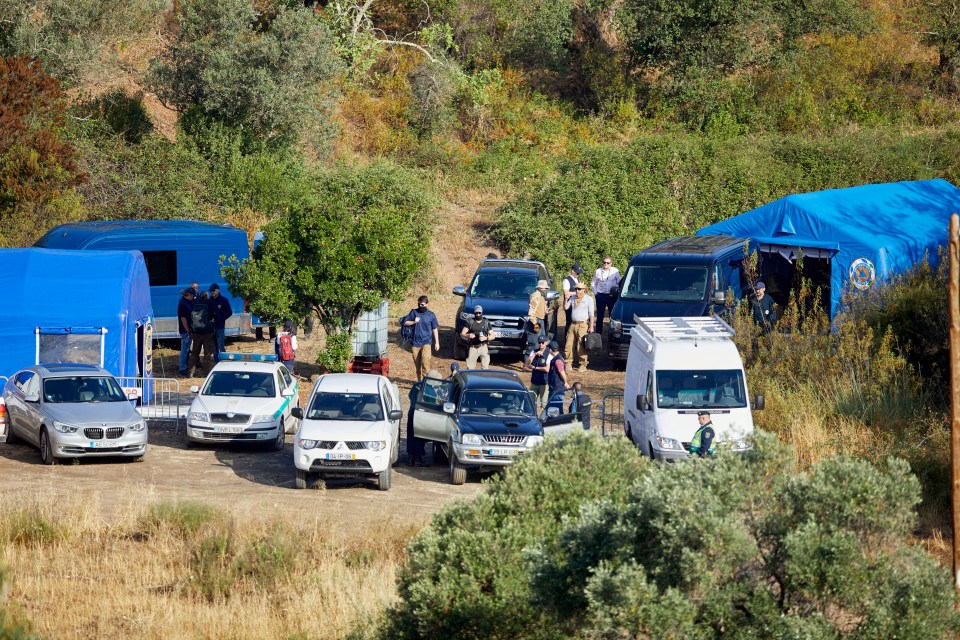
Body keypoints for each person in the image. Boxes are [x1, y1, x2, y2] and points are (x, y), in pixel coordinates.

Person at [401, 295, 441, 380]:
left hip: (426, 342)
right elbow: (405, 322)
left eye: (422, 304)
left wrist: (437, 342)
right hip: (415, 343)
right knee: (418, 365)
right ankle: (420, 382)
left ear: (427, 304)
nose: (420, 306)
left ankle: (426, 383)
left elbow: (435, 329)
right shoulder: (414, 312)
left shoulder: (431, 315)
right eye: (419, 304)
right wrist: (414, 322)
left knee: (425, 363)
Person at [564, 281, 595, 371]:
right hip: (573, 324)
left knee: (581, 345)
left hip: (582, 325)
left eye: (579, 289)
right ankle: (568, 363)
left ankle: (583, 364)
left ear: (584, 290)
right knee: (568, 344)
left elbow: (591, 314)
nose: (577, 291)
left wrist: (591, 326)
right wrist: (566, 299)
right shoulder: (573, 297)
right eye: (576, 289)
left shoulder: (588, 299)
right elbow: (566, 308)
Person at [187, 292, 216, 377]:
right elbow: (212, 315)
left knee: (195, 353)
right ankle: (205, 373)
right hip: (207, 332)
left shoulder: (195, 303)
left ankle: (190, 372)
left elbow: (190, 316)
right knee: (207, 354)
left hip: (196, 332)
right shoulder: (209, 303)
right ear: (207, 296)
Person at [591, 257, 621, 334]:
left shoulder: (615, 271)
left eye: (608, 263)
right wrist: (596, 294)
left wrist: (616, 292)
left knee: (612, 315)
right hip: (600, 295)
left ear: (611, 263)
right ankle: (598, 333)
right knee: (600, 316)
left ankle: (612, 333)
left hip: (611, 296)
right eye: (604, 262)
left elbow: (619, 282)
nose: (606, 264)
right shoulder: (598, 271)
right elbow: (593, 283)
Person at [461, 305, 493, 370]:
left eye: (479, 313)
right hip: (473, 347)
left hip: (483, 347)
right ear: (474, 313)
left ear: (482, 313)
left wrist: (486, 338)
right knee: (470, 368)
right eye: (476, 313)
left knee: (485, 368)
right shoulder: (470, 322)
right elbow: (462, 333)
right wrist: (468, 335)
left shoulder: (486, 322)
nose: (478, 314)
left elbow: (493, 336)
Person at [524, 336, 551, 411]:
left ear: (546, 343)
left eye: (543, 343)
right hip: (534, 382)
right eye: (539, 343)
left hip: (544, 383)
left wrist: (535, 368)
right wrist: (535, 354)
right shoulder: (534, 351)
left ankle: (543, 421)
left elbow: (547, 369)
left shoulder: (549, 353)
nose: (541, 344)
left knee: (544, 404)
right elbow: (526, 365)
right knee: (531, 403)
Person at [208, 283, 233, 362]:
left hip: (220, 326)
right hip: (211, 327)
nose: (212, 292)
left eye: (213, 291)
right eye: (211, 291)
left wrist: (221, 318)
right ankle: (217, 361)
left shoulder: (223, 300)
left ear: (218, 290)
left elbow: (229, 312)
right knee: (214, 346)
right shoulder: (209, 301)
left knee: (220, 345)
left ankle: (224, 360)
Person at [177, 288, 195, 377]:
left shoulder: (186, 302)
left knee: (186, 349)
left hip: (187, 329)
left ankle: (184, 366)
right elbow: (183, 319)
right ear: (189, 295)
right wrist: (188, 330)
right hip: (185, 330)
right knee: (185, 349)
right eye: (193, 296)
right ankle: (182, 368)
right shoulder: (183, 304)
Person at [562, 264, 583, 336]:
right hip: (569, 304)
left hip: (576, 303)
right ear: (572, 271)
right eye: (577, 273)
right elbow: (566, 293)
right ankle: (566, 339)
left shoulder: (577, 280)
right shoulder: (567, 280)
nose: (578, 274)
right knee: (569, 322)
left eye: (579, 273)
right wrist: (577, 292)